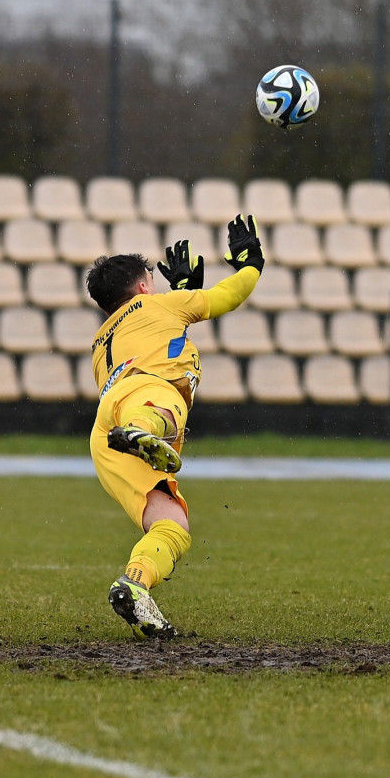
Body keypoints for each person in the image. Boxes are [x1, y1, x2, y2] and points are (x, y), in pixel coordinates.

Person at [85, 213, 264, 639]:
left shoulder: (101, 340)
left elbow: (164, 334)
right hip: (146, 401)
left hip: (104, 435)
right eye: (152, 278)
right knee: (163, 405)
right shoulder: (156, 304)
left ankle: (135, 585)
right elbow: (227, 297)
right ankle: (144, 432)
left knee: (171, 528)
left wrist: (183, 291)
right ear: (144, 286)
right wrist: (251, 264)